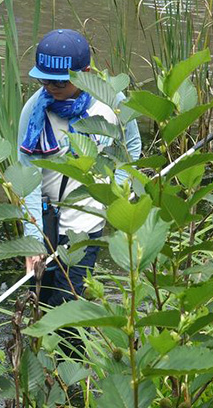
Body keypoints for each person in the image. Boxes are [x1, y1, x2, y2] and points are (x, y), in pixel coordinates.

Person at [19, 30, 141, 308]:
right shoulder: (33, 111)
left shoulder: (112, 101)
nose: (49, 87)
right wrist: (33, 239)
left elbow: (131, 145)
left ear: (84, 73)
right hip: (45, 218)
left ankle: (70, 349)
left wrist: (117, 191)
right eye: (44, 79)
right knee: (40, 299)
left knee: (67, 305)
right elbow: (26, 177)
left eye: (59, 83)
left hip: (85, 222)